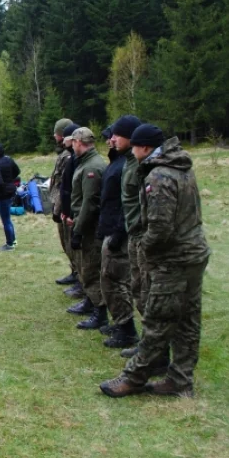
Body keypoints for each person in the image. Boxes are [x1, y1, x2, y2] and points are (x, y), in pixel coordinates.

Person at [100, 125, 210, 398]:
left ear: (145, 148)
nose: (133, 152)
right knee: (186, 320)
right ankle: (180, 380)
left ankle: (134, 377)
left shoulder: (159, 176)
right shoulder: (180, 167)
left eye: (135, 147)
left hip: (173, 259)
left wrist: (145, 249)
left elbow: (160, 228)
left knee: (157, 319)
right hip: (193, 254)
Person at [97, 119, 141, 349]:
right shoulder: (120, 160)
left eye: (116, 135)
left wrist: (118, 234)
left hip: (120, 232)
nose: (111, 139)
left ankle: (127, 330)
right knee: (108, 278)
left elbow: (129, 204)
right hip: (111, 227)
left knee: (116, 280)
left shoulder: (130, 165)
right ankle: (121, 324)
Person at [65, 127, 107, 330]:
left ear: (79, 142)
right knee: (86, 266)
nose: (72, 145)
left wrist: (78, 229)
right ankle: (91, 301)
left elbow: (89, 202)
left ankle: (99, 312)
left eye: (73, 142)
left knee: (91, 268)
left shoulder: (92, 167)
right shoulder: (87, 163)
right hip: (84, 222)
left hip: (90, 227)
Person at [115, 115, 147, 359]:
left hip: (140, 236)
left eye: (117, 135)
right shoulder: (127, 162)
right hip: (133, 234)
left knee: (146, 294)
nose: (112, 139)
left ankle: (152, 349)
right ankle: (148, 345)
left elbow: (141, 206)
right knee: (140, 291)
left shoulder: (141, 167)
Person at [59, 122, 88, 308]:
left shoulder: (82, 162)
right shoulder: (73, 159)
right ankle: (77, 278)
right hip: (70, 212)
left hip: (77, 215)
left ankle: (84, 288)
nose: (60, 139)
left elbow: (79, 193)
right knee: (72, 250)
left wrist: (70, 212)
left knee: (83, 255)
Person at [49, 118, 76, 285]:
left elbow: (64, 185)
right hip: (60, 205)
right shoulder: (64, 154)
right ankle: (75, 272)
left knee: (70, 243)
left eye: (58, 133)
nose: (55, 136)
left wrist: (59, 210)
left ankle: (78, 276)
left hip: (65, 206)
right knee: (65, 243)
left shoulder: (67, 157)